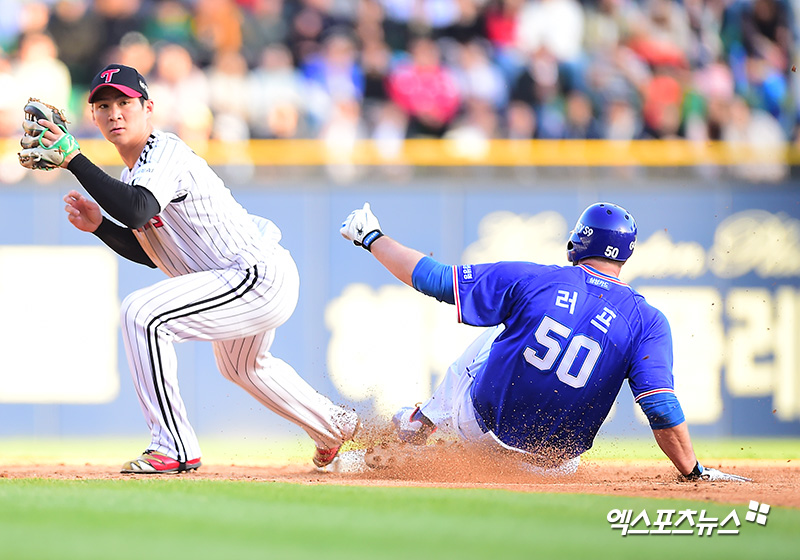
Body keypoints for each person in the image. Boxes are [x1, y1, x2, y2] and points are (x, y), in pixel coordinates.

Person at [27, 63, 358, 473]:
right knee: (242, 367)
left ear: (148, 108)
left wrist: (76, 159)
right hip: (236, 280)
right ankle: (337, 426)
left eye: (124, 102)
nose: (114, 113)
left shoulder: (164, 152)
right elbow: (152, 253)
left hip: (253, 275)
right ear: (93, 116)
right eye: (104, 106)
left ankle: (173, 446)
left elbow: (138, 209)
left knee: (142, 314)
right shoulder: (133, 173)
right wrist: (100, 227)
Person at [339, 202, 750, 481]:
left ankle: (423, 421)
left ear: (580, 240)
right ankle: (439, 446)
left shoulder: (536, 279)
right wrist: (693, 471)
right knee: (521, 329)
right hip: (553, 466)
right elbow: (660, 406)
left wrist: (371, 236)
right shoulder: (649, 321)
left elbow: (435, 279)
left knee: (499, 330)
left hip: (480, 428)